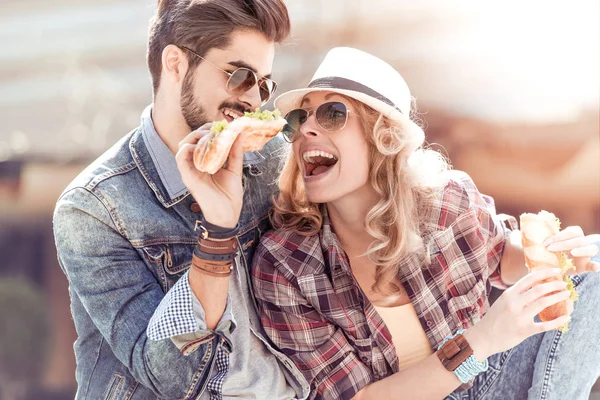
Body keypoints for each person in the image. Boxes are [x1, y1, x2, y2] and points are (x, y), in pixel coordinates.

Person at [251, 47, 600, 400]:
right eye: (299, 118)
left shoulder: (448, 199)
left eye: (332, 114)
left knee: (597, 258)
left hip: (490, 382)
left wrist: (554, 255)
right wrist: (482, 341)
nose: (306, 129)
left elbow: (499, 257)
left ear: (383, 136)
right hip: (460, 367)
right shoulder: (285, 264)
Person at [53, 1, 310, 399]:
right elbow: (171, 377)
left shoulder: (273, 159)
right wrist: (218, 231)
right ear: (175, 64)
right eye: (239, 75)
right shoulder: (94, 209)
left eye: (263, 84)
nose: (253, 102)